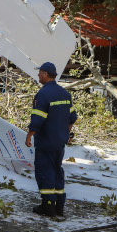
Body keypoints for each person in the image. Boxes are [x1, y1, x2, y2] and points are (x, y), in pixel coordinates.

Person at [25, 62, 77, 220]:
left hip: (46, 141)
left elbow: (38, 120)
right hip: (60, 142)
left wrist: (29, 135)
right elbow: (72, 118)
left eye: (40, 72)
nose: (38, 75)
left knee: (44, 172)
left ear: (46, 74)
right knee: (57, 170)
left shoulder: (43, 95)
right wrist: (65, 133)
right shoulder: (65, 94)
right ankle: (59, 206)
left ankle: (48, 207)